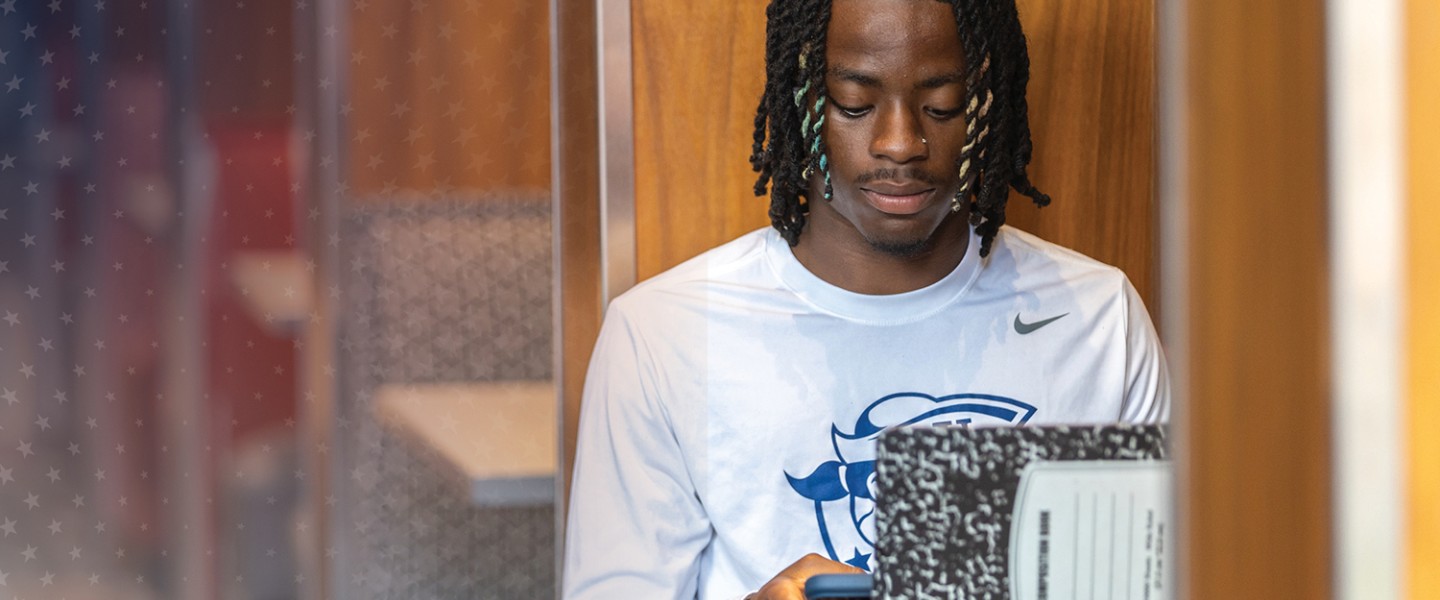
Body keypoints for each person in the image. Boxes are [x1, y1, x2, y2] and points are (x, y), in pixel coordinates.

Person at [562, 0, 1170, 598]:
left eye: (942, 104)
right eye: (855, 104)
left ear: (984, 100)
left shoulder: (1097, 319)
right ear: (801, 99)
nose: (901, 143)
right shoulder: (661, 335)